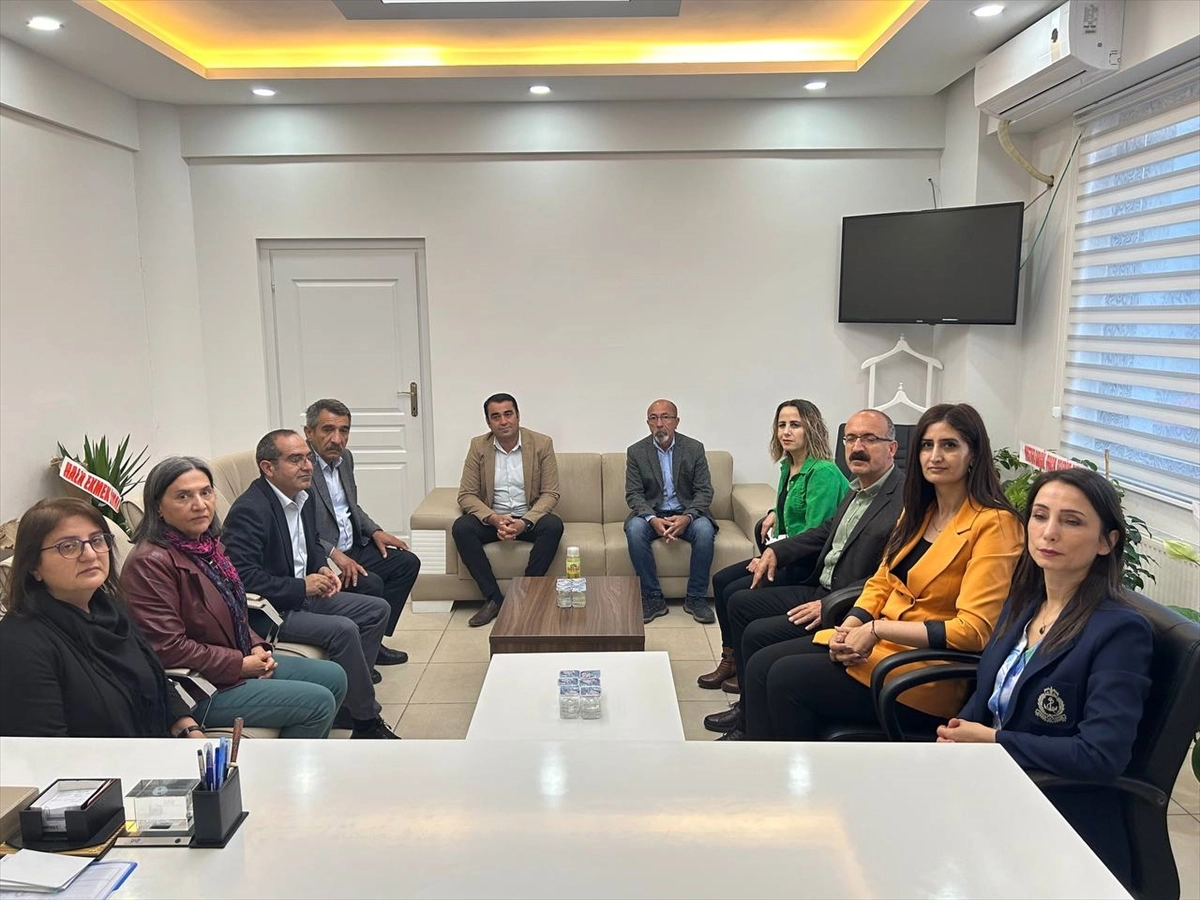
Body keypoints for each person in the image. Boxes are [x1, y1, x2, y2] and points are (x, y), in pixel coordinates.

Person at [742, 402, 1023, 741]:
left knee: (785, 677)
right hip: (879, 646)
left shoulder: (995, 524)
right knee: (761, 663)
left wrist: (876, 629)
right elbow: (882, 580)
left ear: (973, 454)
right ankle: (759, 760)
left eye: (949, 445)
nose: (935, 456)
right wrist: (852, 624)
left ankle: (799, 770)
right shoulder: (921, 511)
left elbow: (973, 631)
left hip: (920, 672)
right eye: (927, 445)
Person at [938, 468, 1152, 889]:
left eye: (1071, 521)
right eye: (1039, 516)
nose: (1049, 532)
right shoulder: (1025, 602)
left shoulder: (1119, 631)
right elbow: (987, 693)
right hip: (987, 788)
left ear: (1107, 542)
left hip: (1055, 819)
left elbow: (1100, 755)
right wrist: (956, 734)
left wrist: (995, 741)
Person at [702, 409, 904, 737]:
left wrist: (830, 604)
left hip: (843, 602)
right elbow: (826, 530)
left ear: (892, 448)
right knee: (739, 602)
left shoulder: (903, 499)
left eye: (869, 439)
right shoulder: (857, 487)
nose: (857, 447)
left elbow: (891, 574)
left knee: (757, 635)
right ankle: (747, 712)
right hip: (821, 584)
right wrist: (776, 551)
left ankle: (749, 726)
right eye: (851, 438)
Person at [122, 457, 349, 739]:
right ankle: (282, 766)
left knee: (334, 676)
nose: (200, 504)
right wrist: (239, 664)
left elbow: (235, 610)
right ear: (158, 506)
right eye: (183, 496)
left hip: (230, 661)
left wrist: (255, 646)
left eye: (205, 492)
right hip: (198, 687)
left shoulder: (207, 546)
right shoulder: (149, 563)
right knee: (317, 702)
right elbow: (168, 648)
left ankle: (302, 753)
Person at [223, 430, 398, 739]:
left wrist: (321, 567)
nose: (307, 466)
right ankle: (366, 722)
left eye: (307, 458)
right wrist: (301, 586)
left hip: (304, 595)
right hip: (270, 611)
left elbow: (312, 542)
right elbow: (243, 578)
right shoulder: (250, 510)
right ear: (268, 467)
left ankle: (348, 706)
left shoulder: (303, 496)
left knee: (376, 610)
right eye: (296, 459)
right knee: (344, 629)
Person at [0, 498, 205, 739]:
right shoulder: (19, 644)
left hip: (159, 752)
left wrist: (189, 729)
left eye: (97, 540)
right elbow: (45, 751)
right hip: (104, 763)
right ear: (34, 566)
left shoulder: (110, 610)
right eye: (69, 546)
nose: (90, 555)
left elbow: (157, 679)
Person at [700, 400, 850, 692]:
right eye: (782, 425)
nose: (786, 432)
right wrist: (773, 513)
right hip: (787, 554)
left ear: (811, 428)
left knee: (735, 592)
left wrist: (773, 555)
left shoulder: (823, 472)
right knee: (721, 580)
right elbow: (793, 509)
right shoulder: (788, 465)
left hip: (807, 565)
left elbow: (814, 534)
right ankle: (730, 659)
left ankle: (744, 666)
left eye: (795, 425)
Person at [304, 398, 421, 666]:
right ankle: (359, 654)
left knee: (406, 563)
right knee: (371, 583)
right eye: (328, 430)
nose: (337, 439)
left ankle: (372, 642)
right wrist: (335, 554)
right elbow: (301, 527)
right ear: (309, 432)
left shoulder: (345, 458)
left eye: (344, 430)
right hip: (322, 558)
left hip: (352, 546)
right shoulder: (301, 466)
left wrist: (375, 531)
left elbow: (350, 506)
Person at [453, 393, 563, 627]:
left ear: (518, 416)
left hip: (528, 518)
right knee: (461, 527)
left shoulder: (542, 444)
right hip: (493, 519)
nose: (503, 421)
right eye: (496, 417)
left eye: (508, 414)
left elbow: (551, 493)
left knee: (553, 525)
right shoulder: (478, 446)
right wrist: (494, 519)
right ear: (488, 422)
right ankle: (494, 599)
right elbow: (466, 494)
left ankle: (527, 594)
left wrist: (525, 522)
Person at [625, 399, 718, 624]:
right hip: (653, 513)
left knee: (705, 530)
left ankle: (696, 598)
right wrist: (651, 518)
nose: (659, 424)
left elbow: (704, 491)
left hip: (687, 512)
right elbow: (634, 494)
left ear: (677, 421)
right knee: (635, 529)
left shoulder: (694, 448)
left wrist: (687, 517)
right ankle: (652, 597)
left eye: (665, 417)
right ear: (648, 423)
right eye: (653, 418)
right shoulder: (636, 452)